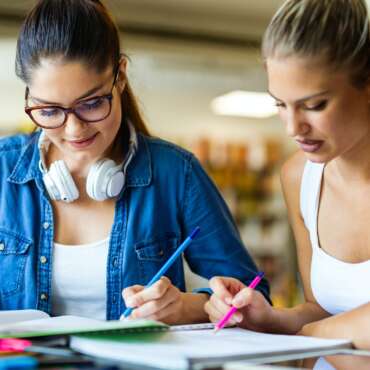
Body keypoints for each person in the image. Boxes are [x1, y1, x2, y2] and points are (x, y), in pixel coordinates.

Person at [0, 0, 270, 323]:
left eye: (92, 104)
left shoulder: (176, 174)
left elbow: (252, 297)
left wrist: (185, 307)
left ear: (121, 77)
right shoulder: (4, 170)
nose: (73, 130)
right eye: (49, 111)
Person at [205, 0, 370, 350]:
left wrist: (312, 338)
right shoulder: (300, 177)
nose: (294, 127)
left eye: (314, 105)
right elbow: (322, 311)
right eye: (280, 104)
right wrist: (268, 319)